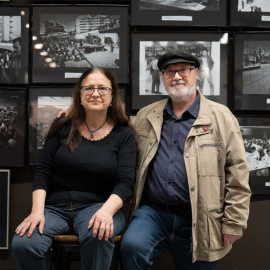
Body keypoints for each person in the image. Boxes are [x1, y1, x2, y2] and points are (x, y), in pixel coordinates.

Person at [120, 49, 251, 270]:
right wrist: (78, 112)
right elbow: (116, 132)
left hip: (202, 219)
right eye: (170, 71)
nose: (177, 76)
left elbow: (237, 170)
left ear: (196, 73)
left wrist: (234, 222)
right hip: (154, 213)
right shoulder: (146, 115)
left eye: (184, 70)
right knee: (132, 247)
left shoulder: (221, 117)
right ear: (162, 76)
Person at [10, 67, 136, 270]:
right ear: (80, 94)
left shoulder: (124, 134)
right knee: (24, 243)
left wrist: (106, 212)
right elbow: (43, 171)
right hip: (55, 208)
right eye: (89, 88)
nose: (95, 93)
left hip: (99, 206)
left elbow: (125, 182)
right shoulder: (62, 125)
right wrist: (36, 212)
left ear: (112, 96)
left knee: (99, 234)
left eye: (102, 88)